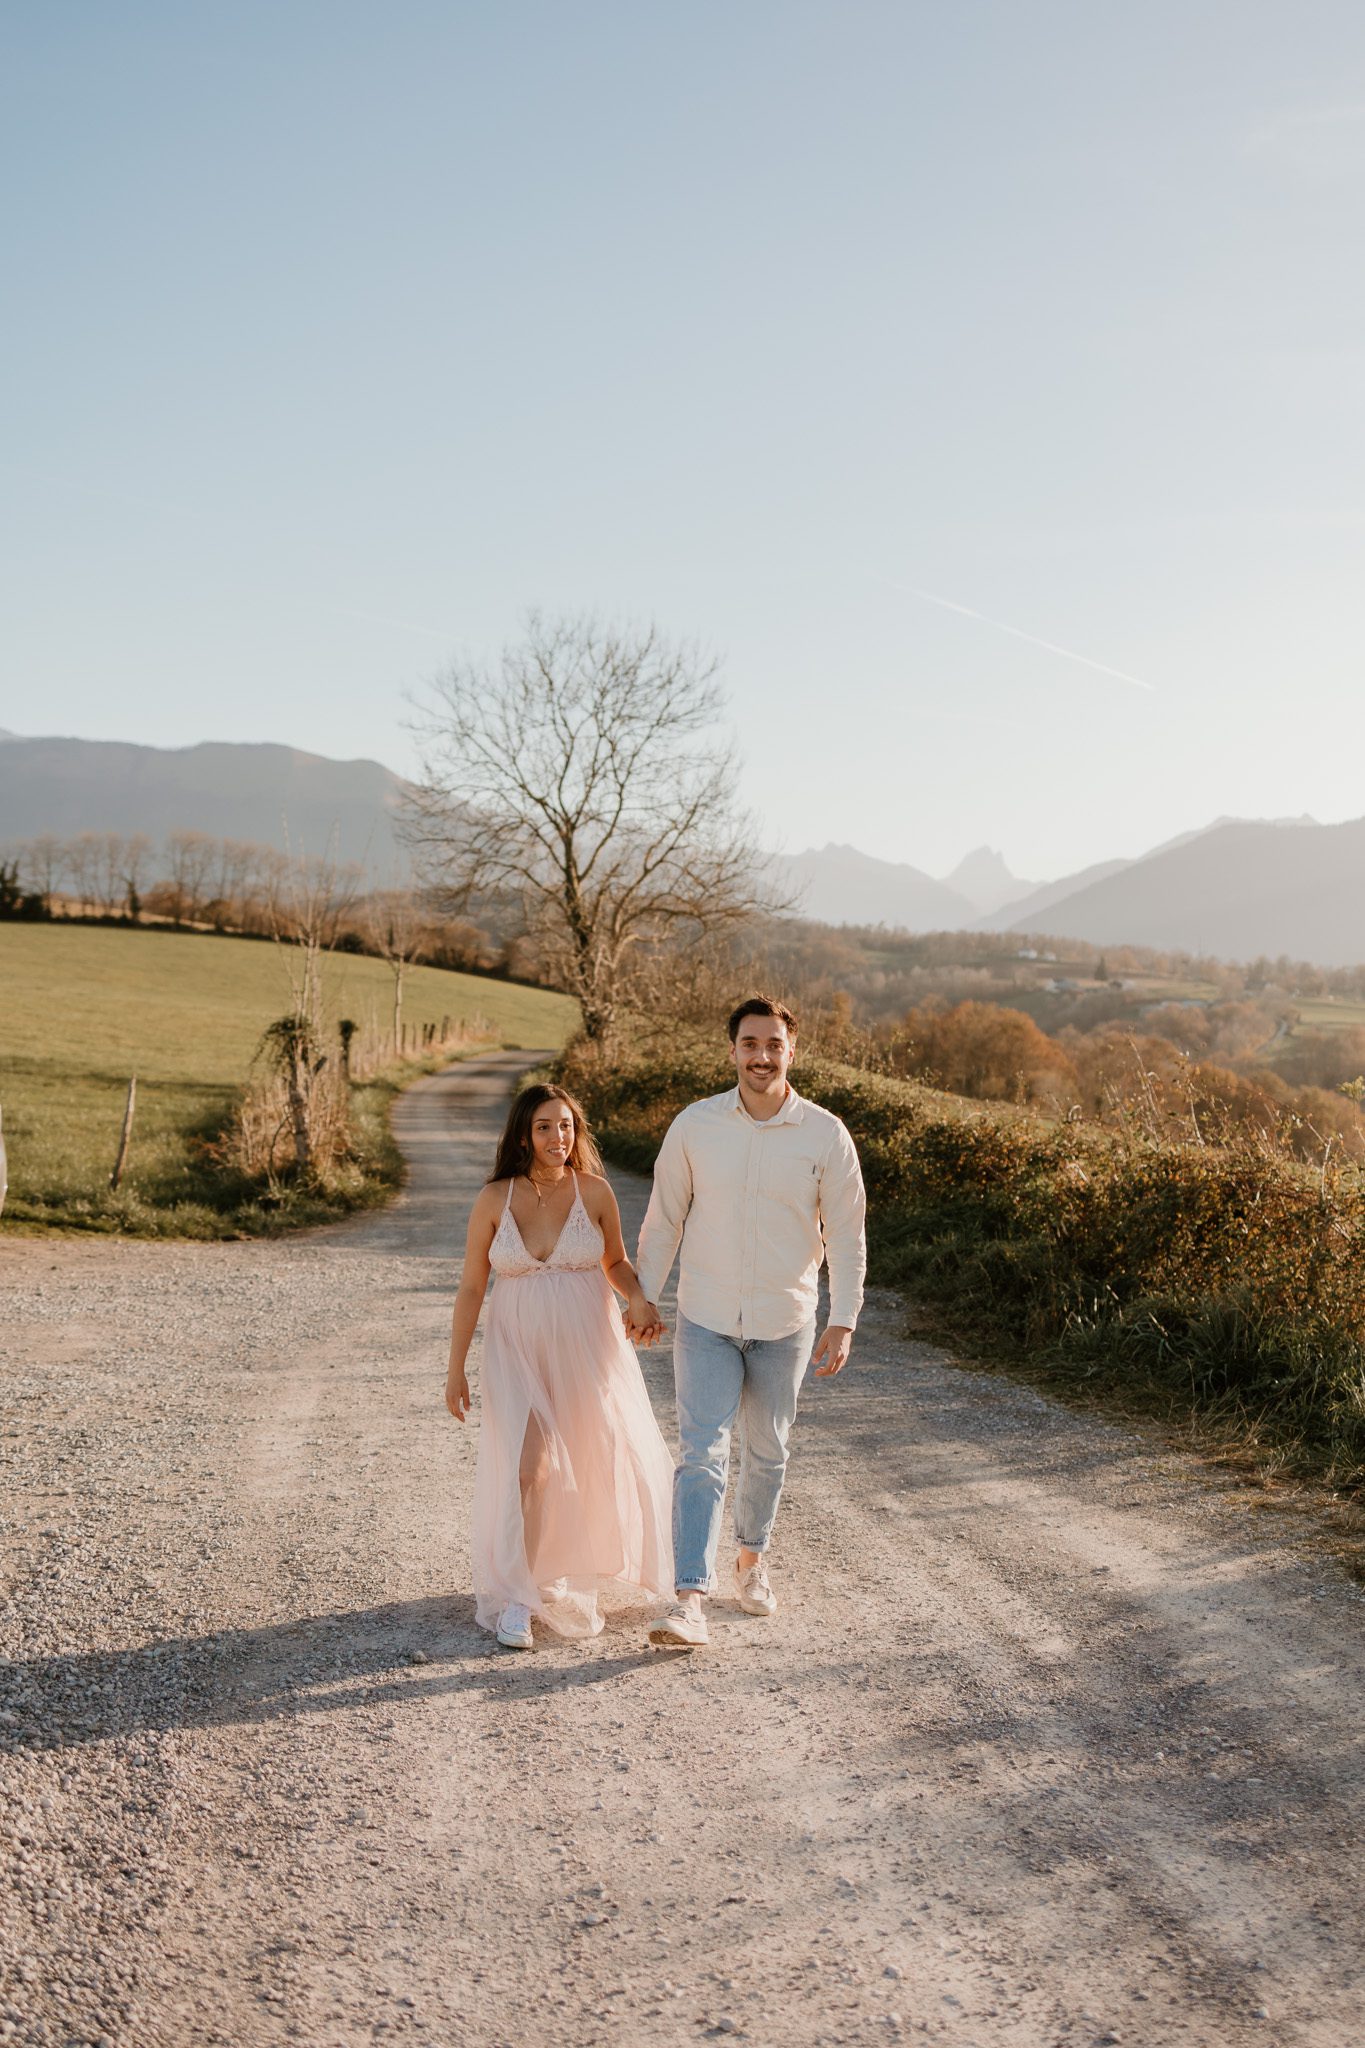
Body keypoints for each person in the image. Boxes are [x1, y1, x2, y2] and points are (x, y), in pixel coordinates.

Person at [635, 996, 867, 1648]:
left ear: (790, 1052)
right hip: (705, 1318)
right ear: (732, 1049)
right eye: (749, 1044)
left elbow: (847, 1236)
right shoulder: (695, 1125)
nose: (761, 1056)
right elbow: (664, 1219)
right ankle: (688, 1601)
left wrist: (842, 1318)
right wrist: (640, 1297)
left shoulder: (825, 1134)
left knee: (766, 1453)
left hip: (785, 1323)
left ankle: (751, 1560)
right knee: (701, 1456)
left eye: (773, 1044)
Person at [445, 1082, 675, 1649]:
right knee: (528, 1468)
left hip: (586, 1346)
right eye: (544, 1126)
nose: (557, 1136)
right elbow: (473, 1286)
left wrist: (639, 1298)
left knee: (599, 1454)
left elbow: (615, 1261)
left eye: (567, 1125)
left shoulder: (593, 1191)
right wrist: (455, 1369)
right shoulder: (494, 1198)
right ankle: (520, 1596)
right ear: (524, 1133)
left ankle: (570, 1570)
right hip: (516, 1347)